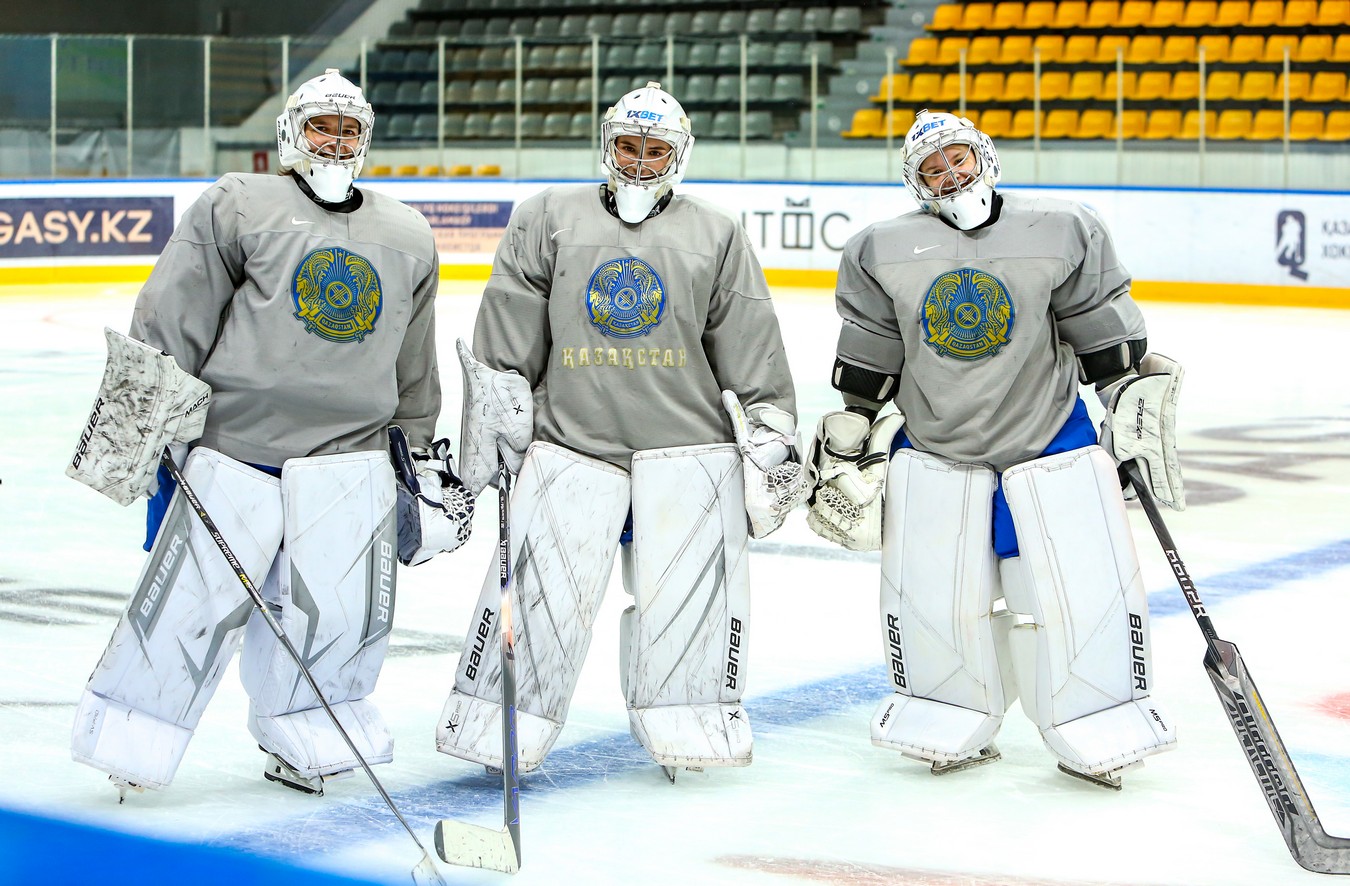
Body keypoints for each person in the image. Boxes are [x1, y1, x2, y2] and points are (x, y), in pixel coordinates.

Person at [66, 69, 473, 799]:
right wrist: (148, 427)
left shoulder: (408, 234)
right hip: (236, 452)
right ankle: (134, 732)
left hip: (350, 465)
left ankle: (307, 731)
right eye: (322, 126)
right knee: (190, 607)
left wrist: (415, 454)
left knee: (336, 619)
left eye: (349, 129)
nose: (336, 142)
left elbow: (414, 361)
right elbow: (173, 315)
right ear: (290, 132)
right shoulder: (238, 204)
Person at [435, 82, 806, 779]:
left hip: (689, 453)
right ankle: (502, 720)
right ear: (607, 146)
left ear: (678, 155)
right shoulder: (546, 217)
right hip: (572, 445)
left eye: (654, 149)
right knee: (542, 602)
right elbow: (510, 325)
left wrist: (768, 430)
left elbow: (750, 338)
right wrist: (499, 406)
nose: (639, 161)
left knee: (686, 608)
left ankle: (687, 717)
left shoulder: (717, 233)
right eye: (628, 146)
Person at [806, 109, 1185, 789]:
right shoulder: (879, 249)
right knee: (938, 600)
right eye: (933, 169)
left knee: (1071, 589)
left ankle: (1098, 713)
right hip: (937, 445)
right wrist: (854, 423)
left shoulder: (1062, 229)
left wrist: (1124, 401)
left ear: (984, 156)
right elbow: (873, 346)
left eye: (958, 158)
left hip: (1048, 435)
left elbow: (1098, 326)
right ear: (917, 183)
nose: (950, 175)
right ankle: (947, 709)